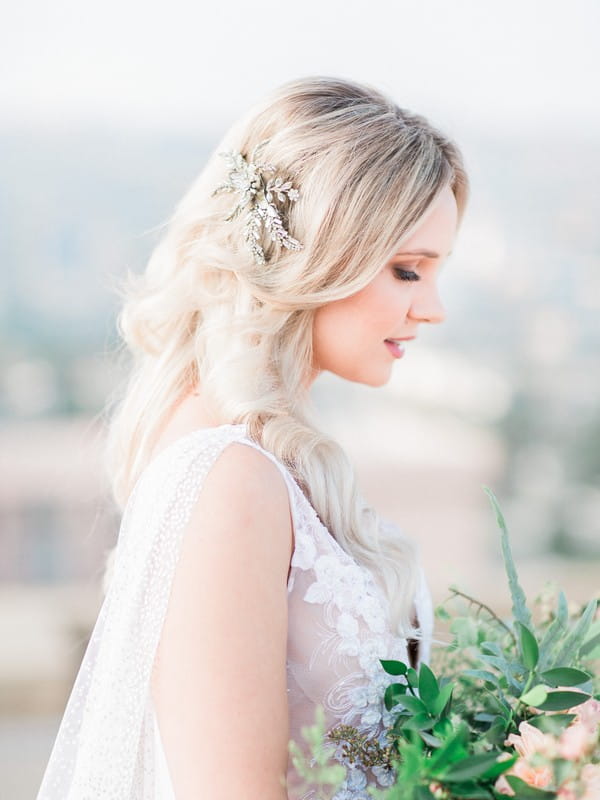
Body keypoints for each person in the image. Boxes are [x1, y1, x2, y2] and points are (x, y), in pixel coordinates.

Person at [36, 75, 469, 799]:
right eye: (407, 271)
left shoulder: (261, 457)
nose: (433, 309)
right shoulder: (225, 476)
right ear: (319, 258)